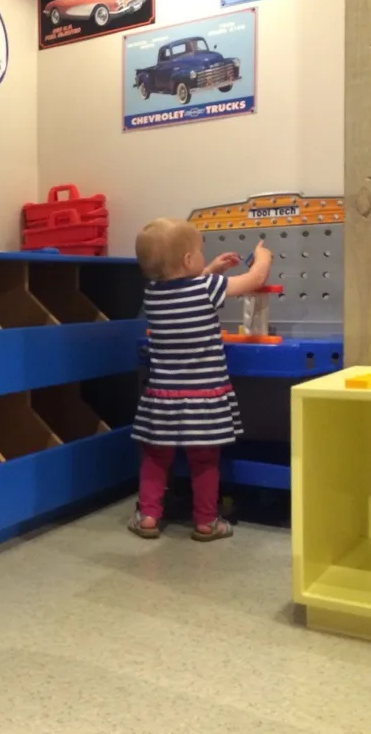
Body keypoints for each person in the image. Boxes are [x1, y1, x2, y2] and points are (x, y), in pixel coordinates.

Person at [130, 218, 273, 542]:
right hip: (204, 396)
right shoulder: (207, 288)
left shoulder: (153, 294)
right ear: (187, 261)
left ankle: (149, 516)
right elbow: (253, 280)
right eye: (198, 252)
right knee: (205, 460)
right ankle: (206, 521)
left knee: (155, 457)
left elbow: (184, 288)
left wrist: (210, 267)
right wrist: (262, 259)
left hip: (162, 397)